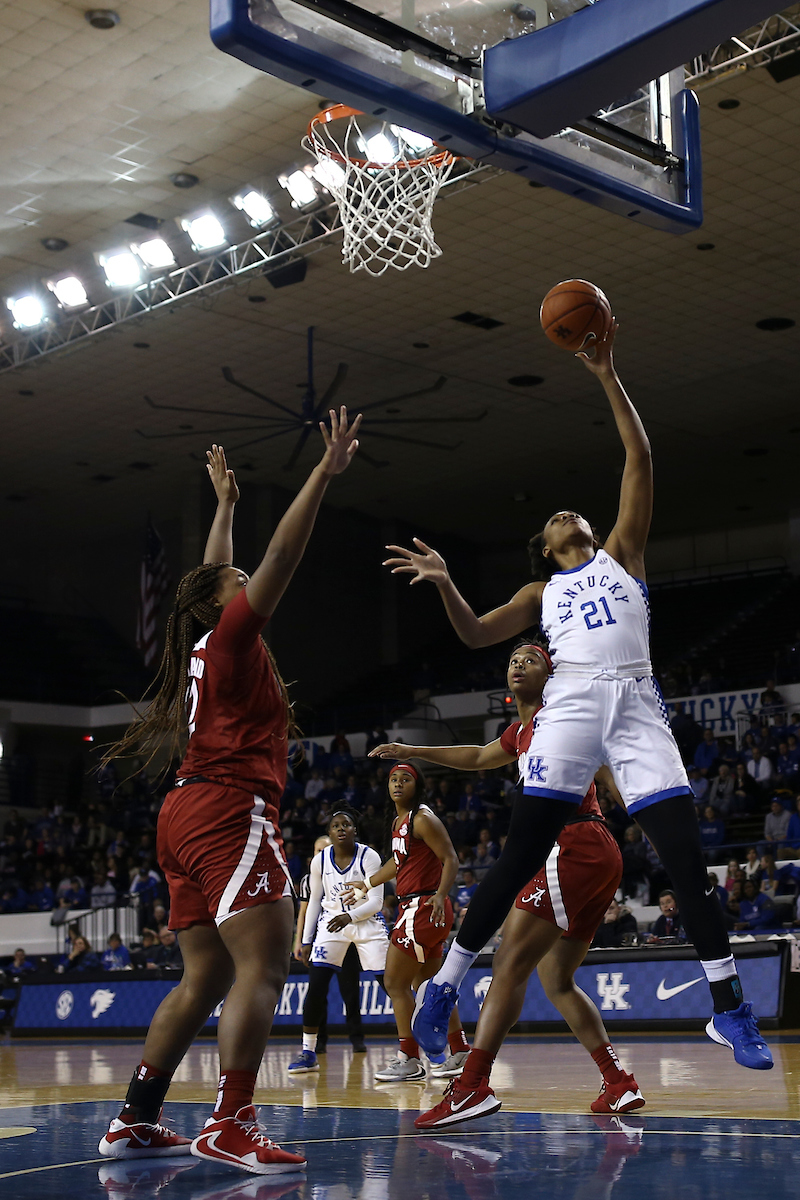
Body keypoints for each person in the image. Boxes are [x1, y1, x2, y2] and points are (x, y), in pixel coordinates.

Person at [383, 324, 771, 1071]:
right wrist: (445, 584)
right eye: (554, 519)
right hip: (572, 703)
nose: (565, 514)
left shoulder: (624, 552)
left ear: (592, 530)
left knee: (686, 860)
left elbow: (640, 455)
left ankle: (729, 1010)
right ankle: (445, 990)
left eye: (573, 514)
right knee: (523, 848)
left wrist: (606, 373)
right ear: (545, 542)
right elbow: (472, 635)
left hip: (636, 703)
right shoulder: (541, 591)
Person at [98, 410, 361, 1174]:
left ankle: (135, 1118)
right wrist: (322, 474)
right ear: (225, 604)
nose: (250, 585)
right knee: (265, 967)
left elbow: (219, 574)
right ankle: (231, 1120)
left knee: (206, 973)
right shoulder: (236, 635)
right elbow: (282, 554)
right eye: (238, 586)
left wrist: (224, 509)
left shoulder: (207, 641)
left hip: (182, 811)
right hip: (228, 808)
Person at [371, 642, 644, 1125]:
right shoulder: (520, 732)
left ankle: (472, 1083)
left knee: (508, 962)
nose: (518, 664)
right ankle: (618, 1081)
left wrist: (634, 797)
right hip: (596, 853)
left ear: (550, 674)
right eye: (513, 660)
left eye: (530, 659)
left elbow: (604, 756)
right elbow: (478, 756)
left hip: (571, 843)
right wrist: (414, 750)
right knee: (556, 977)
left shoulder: (561, 713)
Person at [342, 761, 470, 1083]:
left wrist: (441, 894)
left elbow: (451, 858)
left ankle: (409, 1058)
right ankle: (460, 1051)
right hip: (423, 909)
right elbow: (397, 865)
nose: (398, 784)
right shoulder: (402, 821)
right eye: (393, 779)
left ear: (418, 785)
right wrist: (367, 884)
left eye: (406, 779)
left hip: (422, 908)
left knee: (395, 984)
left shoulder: (423, 818)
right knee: (430, 986)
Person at [288, 807, 387, 1074]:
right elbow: (314, 903)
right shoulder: (319, 861)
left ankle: (414, 1048)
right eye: (335, 826)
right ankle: (308, 1052)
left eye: (346, 824)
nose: (341, 828)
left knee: (391, 985)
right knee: (316, 987)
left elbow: (376, 903)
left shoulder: (370, 856)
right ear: (329, 833)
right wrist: (306, 941)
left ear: (355, 830)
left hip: (366, 922)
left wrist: (350, 917)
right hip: (332, 925)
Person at [292, 834, 367, 1055]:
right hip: (320, 941)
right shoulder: (309, 880)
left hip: (348, 938)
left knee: (351, 993)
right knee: (317, 991)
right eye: (317, 850)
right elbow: (304, 913)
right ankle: (319, 1041)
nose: (322, 853)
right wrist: (299, 941)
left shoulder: (351, 874)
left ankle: (357, 1039)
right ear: (311, 856)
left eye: (327, 848)